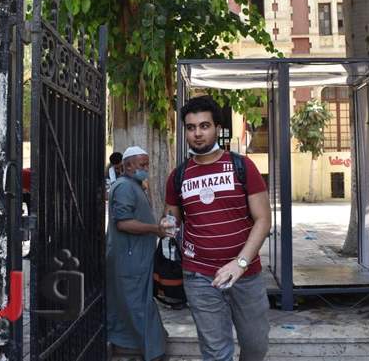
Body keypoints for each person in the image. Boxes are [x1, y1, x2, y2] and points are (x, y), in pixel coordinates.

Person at [164, 96, 272, 361]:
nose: (198, 133)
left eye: (204, 126)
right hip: (199, 275)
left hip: (245, 274)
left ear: (217, 128)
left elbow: (263, 220)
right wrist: (165, 225)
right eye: (191, 127)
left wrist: (240, 263)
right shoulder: (178, 176)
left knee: (256, 345)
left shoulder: (242, 166)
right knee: (216, 352)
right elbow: (171, 220)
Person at [106, 146, 173, 361]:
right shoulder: (124, 187)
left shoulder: (134, 185)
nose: (146, 169)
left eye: (147, 164)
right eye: (142, 165)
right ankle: (155, 352)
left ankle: (141, 343)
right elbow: (123, 223)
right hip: (129, 258)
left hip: (137, 257)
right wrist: (155, 229)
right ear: (128, 166)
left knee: (135, 301)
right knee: (138, 304)